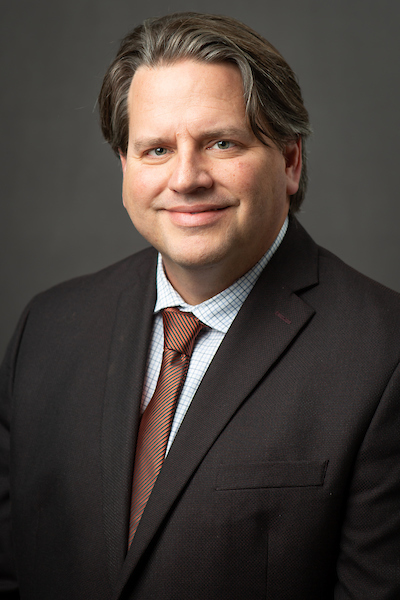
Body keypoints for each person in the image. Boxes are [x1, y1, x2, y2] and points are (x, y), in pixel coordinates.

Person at [1, 11, 400, 600]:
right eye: (157, 149)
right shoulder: (47, 330)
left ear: (290, 160)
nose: (186, 178)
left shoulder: (384, 356)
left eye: (222, 143)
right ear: (125, 167)